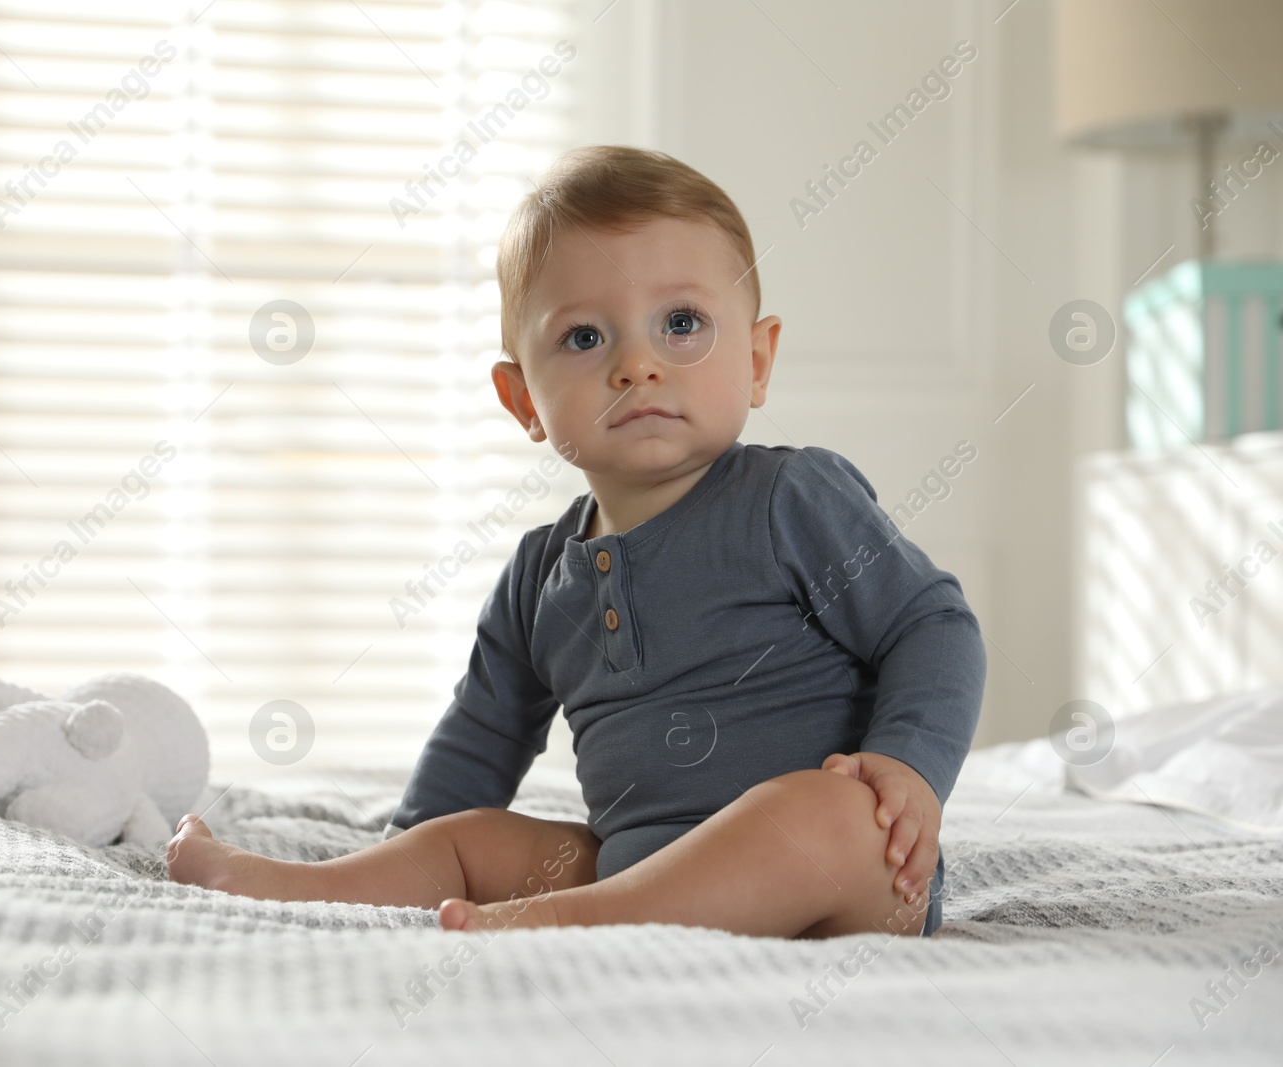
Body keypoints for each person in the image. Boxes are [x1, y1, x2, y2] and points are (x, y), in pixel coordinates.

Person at [168, 145, 985, 940]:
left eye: (681, 323)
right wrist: (415, 848)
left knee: (818, 808)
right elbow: (478, 740)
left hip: (856, 880)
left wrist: (908, 765)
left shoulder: (789, 498)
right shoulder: (538, 576)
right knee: (475, 836)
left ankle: (577, 922)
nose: (637, 363)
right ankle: (305, 890)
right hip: (633, 865)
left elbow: (932, 625)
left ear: (758, 357)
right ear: (522, 397)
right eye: (586, 338)